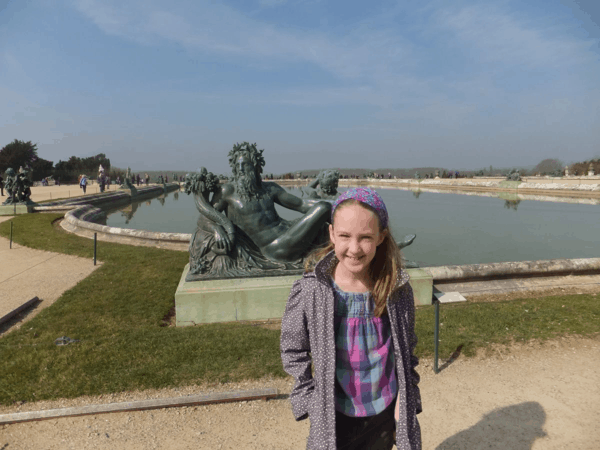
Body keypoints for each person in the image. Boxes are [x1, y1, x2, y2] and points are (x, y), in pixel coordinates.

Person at [280, 187, 422, 450]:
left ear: (381, 237)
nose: (354, 249)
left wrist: (407, 396)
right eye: (345, 236)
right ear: (331, 233)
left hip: (384, 411)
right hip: (334, 414)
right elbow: (293, 348)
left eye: (365, 237)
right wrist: (309, 398)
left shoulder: (396, 289)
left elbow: (406, 347)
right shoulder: (312, 290)